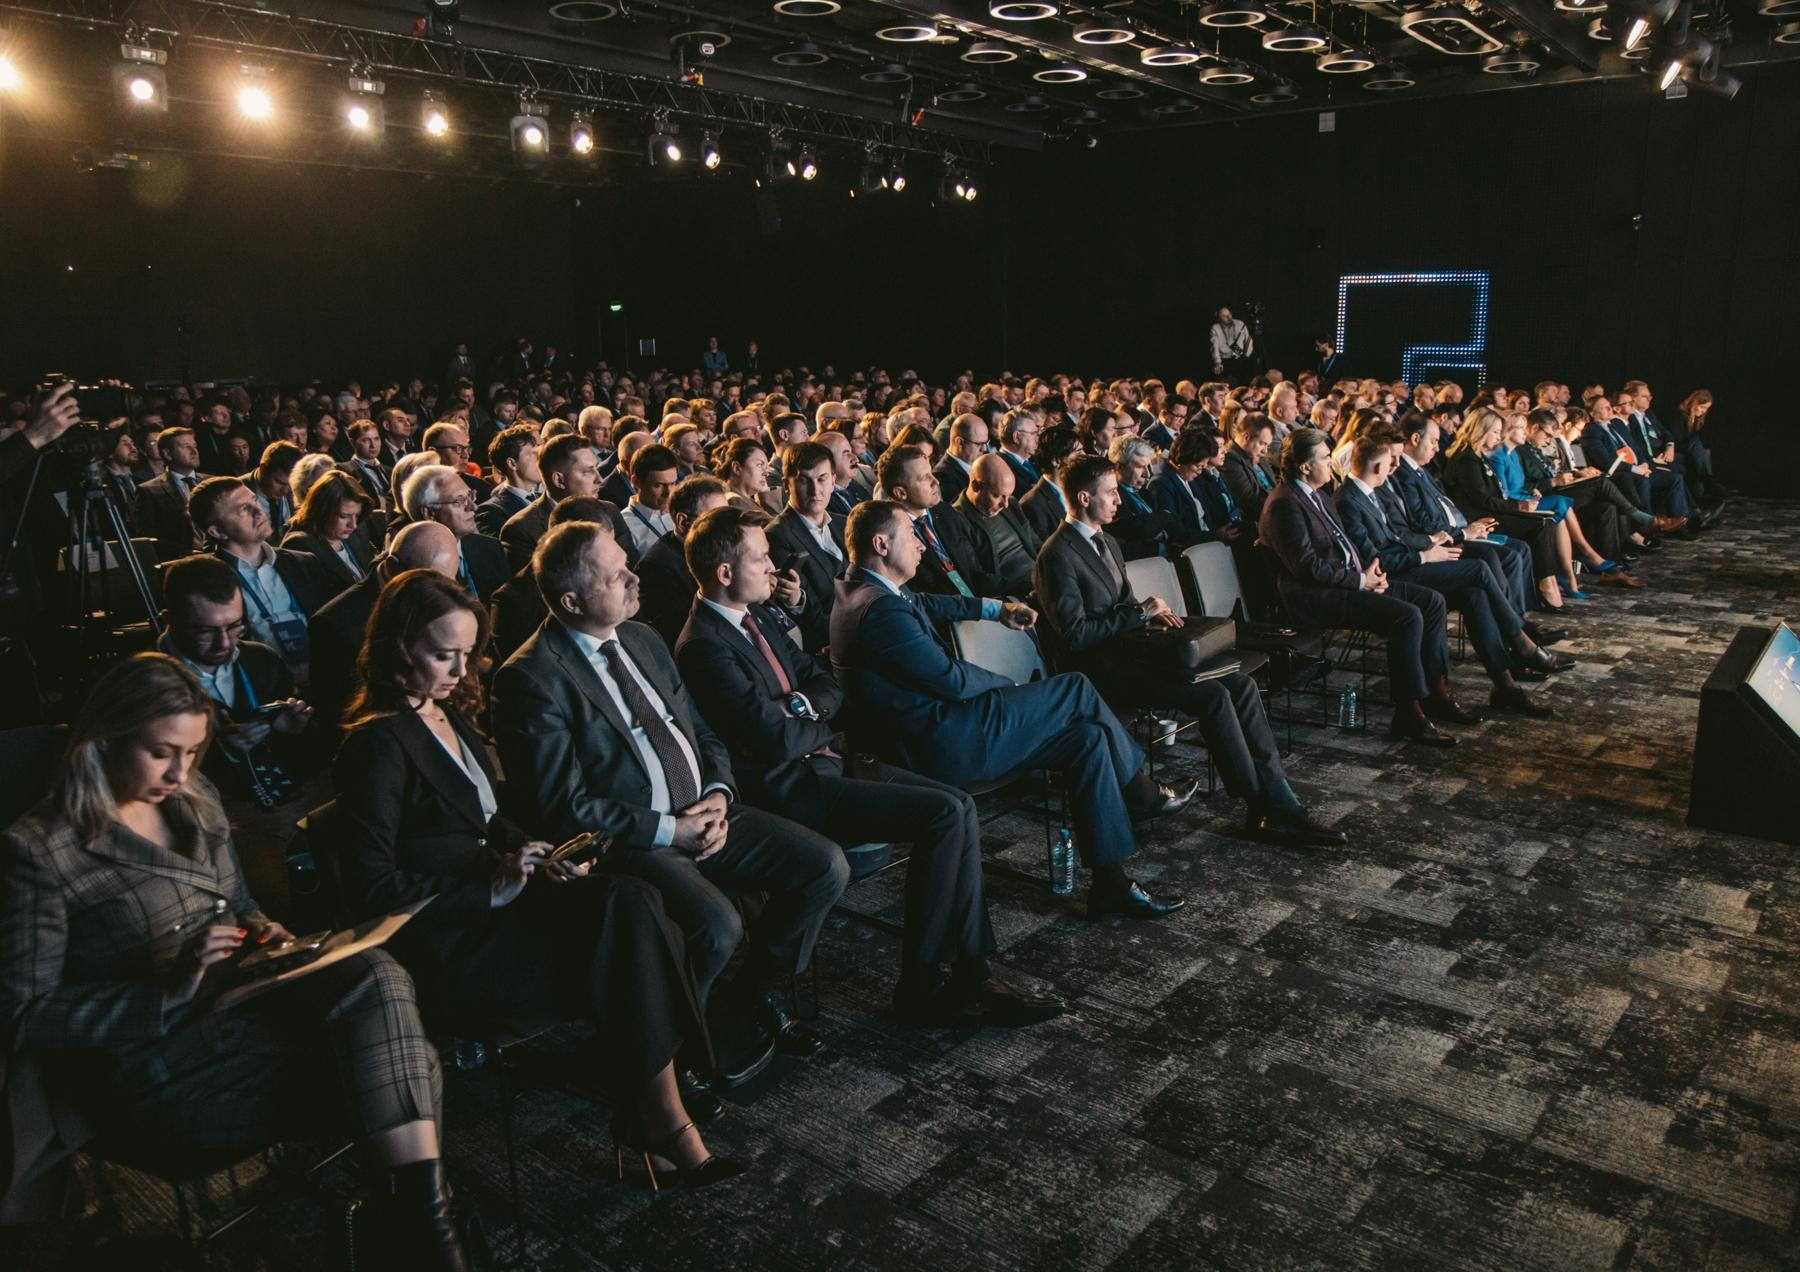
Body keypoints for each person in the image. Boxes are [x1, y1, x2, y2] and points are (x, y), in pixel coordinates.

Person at [0, 654, 467, 1264]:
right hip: (160, 1062)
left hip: (244, 1012)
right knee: (407, 1063)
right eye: (162, 752)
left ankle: (420, 1241)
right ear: (106, 738)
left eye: (194, 752)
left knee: (375, 973)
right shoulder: (41, 851)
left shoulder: (195, 796)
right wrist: (167, 990)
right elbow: (24, 1015)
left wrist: (267, 933)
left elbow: (240, 905)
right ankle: (426, 1237)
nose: (180, 771)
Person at [333, 570, 741, 1181]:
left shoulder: (445, 713)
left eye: (467, 653)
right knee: (633, 922)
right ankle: (663, 1111)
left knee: (632, 901)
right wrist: (488, 890)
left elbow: (486, 819)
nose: (461, 670)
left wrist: (537, 853)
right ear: (398, 647)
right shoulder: (375, 745)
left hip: (505, 904)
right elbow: (368, 890)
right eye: (444, 655)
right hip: (455, 939)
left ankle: (658, 1109)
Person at [676, 506, 1063, 1026]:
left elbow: (825, 682)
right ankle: (923, 985)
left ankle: (969, 973)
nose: (773, 567)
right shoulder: (703, 646)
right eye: (761, 558)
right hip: (792, 789)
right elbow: (774, 739)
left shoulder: (758, 614)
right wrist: (812, 717)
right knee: (944, 814)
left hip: (832, 761)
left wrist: (800, 707)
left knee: (958, 806)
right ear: (726, 572)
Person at [490, 522, 849, 1071]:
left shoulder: (643, 638)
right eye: (616, 576)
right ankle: (665, 1054)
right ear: (571, 601)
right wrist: (670, 830)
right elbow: (562, 805)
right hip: (635, 839)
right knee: (718, 925)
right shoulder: (530, 678)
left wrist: (720, 793)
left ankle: (737, 1001)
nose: (635, 578)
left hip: (705, 810)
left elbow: (702, 734)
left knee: (824, 866)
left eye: (627, 565)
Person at [829, 500, 1194, 920]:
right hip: (940, 744)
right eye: (911, 536)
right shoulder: (879, 610)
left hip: (944, 727)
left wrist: (996, 609)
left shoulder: (865, 589)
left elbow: (930, 603)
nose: (921, 545)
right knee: (1074, 687)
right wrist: (1013, 688)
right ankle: (1143, 794)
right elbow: (952, 679)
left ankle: (1111, 884)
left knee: (1089, 739)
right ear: (881, 544)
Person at [1034, 456, 1343, 845]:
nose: (1119, 500)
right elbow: (1075, 636)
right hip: (1108, 672)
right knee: (1214, 695)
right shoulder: (1056, 554)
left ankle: (1279, 795)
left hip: (1139, 654)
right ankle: (1260, 804)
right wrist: (1139, 613)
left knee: (1241, 684)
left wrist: (1150, 615)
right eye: (1111, 493)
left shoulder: (1106, 541)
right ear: (1083, 498)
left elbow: (1122, 606)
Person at [1259, 428, 1473, 747]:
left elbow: (1345, 545)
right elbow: (1308, 568)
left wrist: (1369, 571)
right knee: (1407, 617)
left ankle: (1436, 691)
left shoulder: (1318, 494)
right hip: (1316, 597)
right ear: (1305, 467)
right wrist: (1360, 580)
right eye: (1325, 458)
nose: (1332, 463)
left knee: (1432, 602)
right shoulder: (1284, 504)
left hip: (1347, 581)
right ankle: (1409, 711)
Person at [1334, 427, 1565, 717]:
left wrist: (1431, 544)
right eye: (1391, 460)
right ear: (1378, 466)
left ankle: (1505, 686)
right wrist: (1425, 556)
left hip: (1409, 560)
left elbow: (1397, 536)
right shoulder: (1349, 498)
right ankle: (1519, 641)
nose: (1396, 466)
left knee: (1474, 594)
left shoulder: (1370, 492)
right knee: (1479, 568)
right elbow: (1375, 558)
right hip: (1393, 576)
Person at [156, 553, 316, 797]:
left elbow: (305, 761)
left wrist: (295, 731)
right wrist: (223, 753)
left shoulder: (263, 660)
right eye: (205, 631)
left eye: (234, 626)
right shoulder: (146, 685)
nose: (223, 643)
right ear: (169, 619)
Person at [1389, 413, 1545, 631]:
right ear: (1415, 439)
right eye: (1433, 441)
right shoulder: (1405, 473)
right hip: (1443, 540)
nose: (1437, 448)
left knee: (1519, 547)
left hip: (1460, 528)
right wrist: (1464, 532)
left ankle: (1518, 621)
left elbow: (1447, 507)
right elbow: (1423, 522)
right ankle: (1516, 627)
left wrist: (1471, 526)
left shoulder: (1421, 470)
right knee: (1500, 556)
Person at [308, 521, 462, 729]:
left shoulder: (439, 592)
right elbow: (343, 715)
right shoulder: (335, 625)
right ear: (392, 568)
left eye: (449, 582)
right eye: (428, 583)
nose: (440, 595)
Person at [187, 476, 335, 681]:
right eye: (243, 509)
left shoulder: (303, 563)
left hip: (325, 675)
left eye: (255, 500)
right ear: (218, 532)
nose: (259, 511)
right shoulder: (207, 583)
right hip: (264, 684)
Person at [1442, 409, 1579, 609]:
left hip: (1491, 513)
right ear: (1481, 431)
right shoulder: (1466, 459)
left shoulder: (1478, 456)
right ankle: (1546, 585)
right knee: (1541, 526)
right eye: (1495, 432)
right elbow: (1483, 500)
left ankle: (1539, 590)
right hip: (1481, 519)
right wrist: (1518, 506)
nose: (1499, 437)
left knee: (1545, 523)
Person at [499, 433, 628, 572]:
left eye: (596, 468)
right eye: (588, 471)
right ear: (559, 480)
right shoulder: (521, 531)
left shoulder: (610, 510)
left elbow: (630, 564)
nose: (600, 479)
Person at [765, 441, 847, 653]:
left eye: (822, 479)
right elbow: (812, 615)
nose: (815, 490)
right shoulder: (776, 536)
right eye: (803, 480)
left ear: (833, 481)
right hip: (832, 644)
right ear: (786, 485)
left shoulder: (844, 523)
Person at [635, 478, 730, 651]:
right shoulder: (656, 568)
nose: (728, 527)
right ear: (683, 521)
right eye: (716, 519)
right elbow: (679, 635)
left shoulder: (716, 547)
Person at [399, 465, 509, 603]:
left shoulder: (491, 548)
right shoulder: (414, 563)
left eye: (470, 495)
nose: (473, 507)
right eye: (459, 500)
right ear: (429, 513)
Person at [953, 452, 1040, 598]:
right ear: (976, 485)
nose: (1005, 504)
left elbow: (1036, 543)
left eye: (1008, 496)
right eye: (997, 496)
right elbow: (981, 579)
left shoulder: (1011, 504)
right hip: (1016, 593)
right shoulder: (956, 520)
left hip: (1040, 577)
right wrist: (1034, 581)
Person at [281, 469, 375, 589]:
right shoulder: (298, 545)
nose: (353, 525)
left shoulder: (358, 529)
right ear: (322, 511)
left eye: (356, 515)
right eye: (343, 516)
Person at [136, 425, 207, 562]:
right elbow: (149, 538)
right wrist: (185, 553)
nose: (194, 451)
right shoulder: (149, 491)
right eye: (186, 447)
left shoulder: (212, 481)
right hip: (183, 562)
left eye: (195, 446)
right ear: (168, 454)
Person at [1104, 436, 1169, 561]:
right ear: (1119, 467)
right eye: (1140, 466)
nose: (1147, 474)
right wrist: (1163, 517)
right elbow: (1140, 529)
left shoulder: (1146, 494)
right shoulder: (1112, 499)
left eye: (1148, 466)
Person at [474, 424, 540, 536]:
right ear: (512, 464)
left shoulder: (543, 500)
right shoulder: (492, 511)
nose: (540, 459)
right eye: (533, 454)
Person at [620, 443, 680, 561]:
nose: (668, 493)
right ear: (636, 482)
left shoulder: (683, 511)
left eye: (672, 483)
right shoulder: (623, 526)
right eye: (658, 485)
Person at [1220, 412, 1277, 525]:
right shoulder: (1229, 459)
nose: (1265, 451)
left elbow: (1274, 484)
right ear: (1246, 437)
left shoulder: (1257, 454)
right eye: (1262, 444)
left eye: (1267, 445)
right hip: (1262, 520)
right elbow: (1248, 501)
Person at [1209, 306, 1254, 379]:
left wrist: (1246, 356)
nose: (1228, 317)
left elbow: (1249, 341)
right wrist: (1218, 362)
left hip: (1240, 359)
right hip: (1225, 360)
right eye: (1224, 316)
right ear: (1219, 318)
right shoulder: (1215, 328)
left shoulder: (1240, 324)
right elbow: (1214, 347)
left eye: (1229, 314)